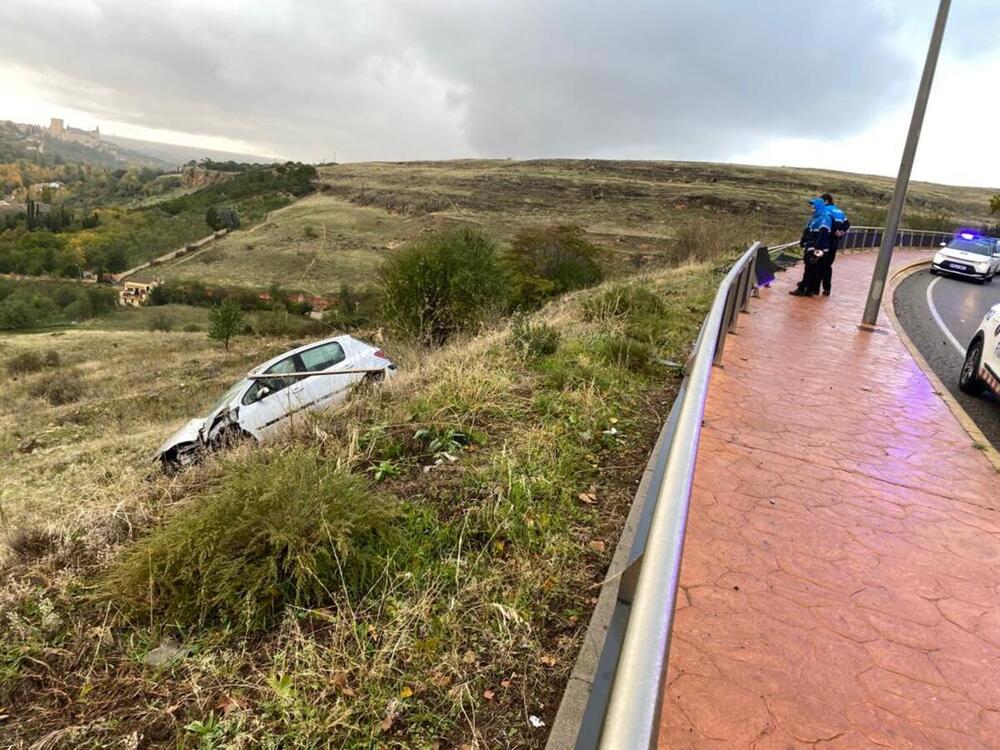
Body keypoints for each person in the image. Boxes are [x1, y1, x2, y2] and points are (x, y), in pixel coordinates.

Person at [790, 197, 832, 297]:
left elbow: (822, 236)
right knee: (812, 269)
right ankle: (810, 289)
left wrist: (816, 251)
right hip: (811, 246)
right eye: (812, 208)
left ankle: (803, 289)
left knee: (810, 269)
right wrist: (803, 240)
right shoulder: (814, 218)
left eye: (814, 208)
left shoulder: (824, 219)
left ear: (819, 207)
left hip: (817, 249)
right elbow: (808, 231)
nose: (812, 209)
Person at [819, 193, 850, 296]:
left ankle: (814, 287)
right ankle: (827, 288)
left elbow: (825, 225)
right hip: (835, 242)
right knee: (828, 265)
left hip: (825, 240)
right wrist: (841, 232)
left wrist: (833, 232)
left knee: (818, 263)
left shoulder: (826, 210)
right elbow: (847, 224)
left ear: (826, 201)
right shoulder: (839, 211)